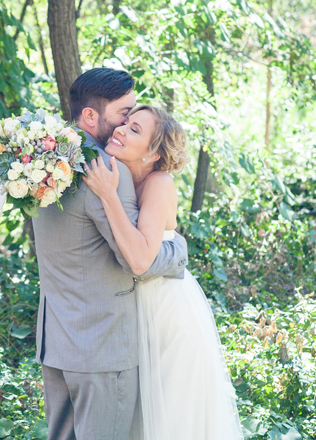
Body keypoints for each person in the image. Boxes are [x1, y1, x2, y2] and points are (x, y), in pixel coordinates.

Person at [31, 68, 189, 439]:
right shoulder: (105, 171)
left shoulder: (41, 163)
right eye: (124, 112)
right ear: (90, 115)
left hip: (56, 345)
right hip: (102, 349)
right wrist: (178, 248)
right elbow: (140, 261)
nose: (124, 123)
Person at [83, 104, 244, 440]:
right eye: (126, 122)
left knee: (173, 415)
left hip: (169, 314)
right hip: (138, 310)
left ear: (154, 153)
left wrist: (108, 195)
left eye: (135, 130)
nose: (121, 129)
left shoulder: (159, 183)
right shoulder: (126, 176)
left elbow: (141, 261)